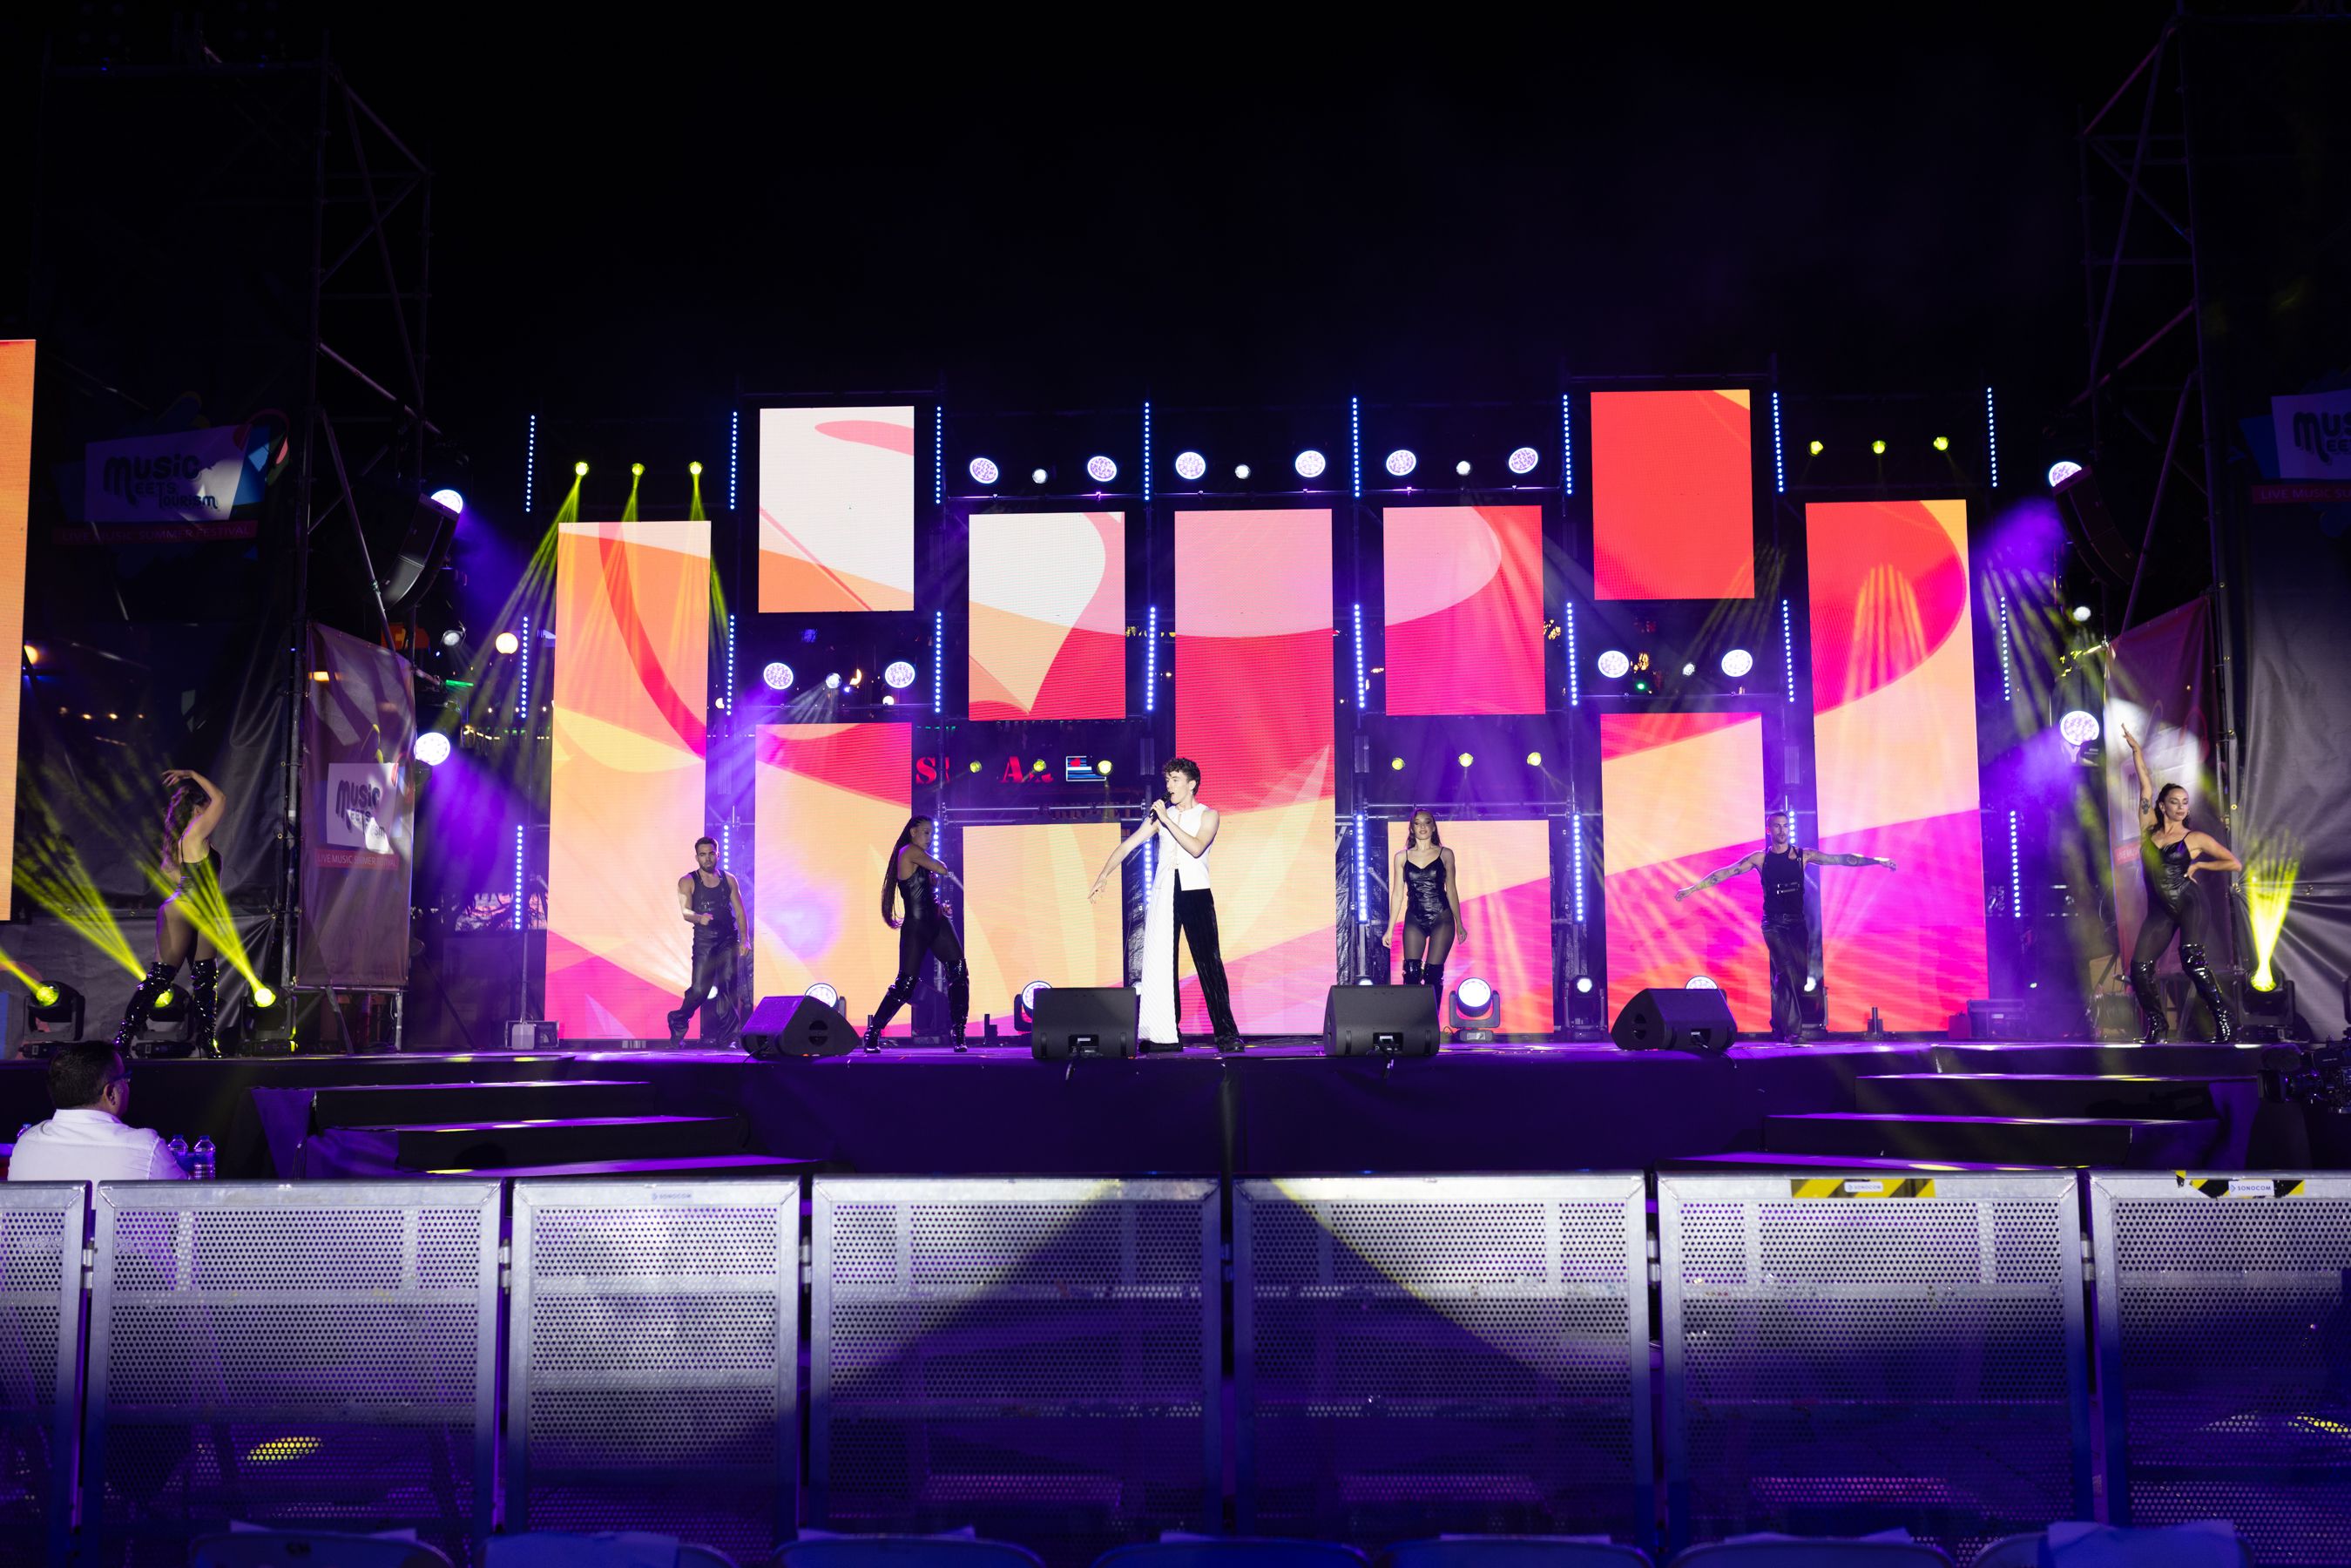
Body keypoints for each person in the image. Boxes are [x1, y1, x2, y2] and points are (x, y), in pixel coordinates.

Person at [1675, 812, 1895, 1041]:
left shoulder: (1803, 856)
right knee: (1786, 973)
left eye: (1785, 826)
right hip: (1774, 925)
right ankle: (1793, 1032)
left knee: (1797, 979)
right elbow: (1726, 873)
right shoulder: (1760, 859)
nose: (1782, 830)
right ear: (1769, 830)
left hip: (1797, 924)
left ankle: (1779, 1020)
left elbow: (1841, 859)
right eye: (1777, 826)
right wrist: (1692, 889)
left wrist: (1877, 861)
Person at [1090, 756, 1242, 1051]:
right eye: (1168, 780)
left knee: (1209, 962)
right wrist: (1104, 875)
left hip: (1195, 892)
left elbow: (1196, 848)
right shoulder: (1160, 816)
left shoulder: (1208, 815)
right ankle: (1165, 1034)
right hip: (1164, 891)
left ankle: (1226, 1034)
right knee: (1161, 963)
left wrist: (1167, 821)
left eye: (1175, 780)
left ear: (1191, 784)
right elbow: (1128, 844)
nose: (1170, 786)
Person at [2121, 722, 2240, 1044]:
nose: (2181, 806)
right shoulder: (2148, 828)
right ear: (2162, 806)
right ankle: (2158, 1026)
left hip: (2190, 903)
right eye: (2175, 801)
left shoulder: (2195, 838)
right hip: (2160, 910)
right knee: (2140, 969)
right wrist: (2137, 751)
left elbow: (2233, 862)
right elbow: (2146, 785)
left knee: (2192, 962)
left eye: (2185, 802)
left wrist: (2200, 863)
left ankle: (2224, 1021)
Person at [111, 768, 227, 1057]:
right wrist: (193, 774)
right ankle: (123, 1040)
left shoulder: (187, 840)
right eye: (205, 808)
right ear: (198, 810)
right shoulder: (195, 833)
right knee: (161, 977)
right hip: (186, 910)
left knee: (206, 979)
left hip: (201, 912)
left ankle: (207, 1042)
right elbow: (221, 798)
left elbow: (170, 870)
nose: (211, 814)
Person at [8, 1041, 189, 1182]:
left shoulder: (25, 1145)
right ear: (111, 1093)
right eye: (125, 1078)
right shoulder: (146, 1147)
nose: (127, 1085)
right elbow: (191, 1204)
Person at [862, 817, 970, 1052]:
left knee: (958, 971)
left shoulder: (921, 857)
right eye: (926, 832)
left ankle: (959, 1031)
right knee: (906, 984)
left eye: (932, 834)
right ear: (913, 832)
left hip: (937, 923)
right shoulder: (908, 851)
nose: (930, 838)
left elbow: (927, 893)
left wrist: (941, 907)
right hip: (917, 927)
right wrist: (941, 869)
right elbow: (942, 868)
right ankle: (873, 1032)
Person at [668, 836, 751, 1046]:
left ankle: (728, 1038)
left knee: (728, 987)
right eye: (703, 855)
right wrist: (699, 918)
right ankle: (678, 1019)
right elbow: (685, 911)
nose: (707, 858)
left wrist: (745, 940)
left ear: (717, 855)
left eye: (711, 854)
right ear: (697, 857)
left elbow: (740, 911)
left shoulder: (729, 879)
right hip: (704, 941)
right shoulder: (687, 881)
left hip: (728, 939)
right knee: (700, 990)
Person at [1390, 810, 1463, 995]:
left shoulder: (1446, 854)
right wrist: (1390, 929)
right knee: (1411, 974)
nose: (1422, 826)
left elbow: (1451, 890)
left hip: (1441, 917)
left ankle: (1433, 1013)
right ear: (1411, 828)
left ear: (1433, 827)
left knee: (1433, 975)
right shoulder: (1401, 857)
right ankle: (1411, 1014)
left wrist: (1460, 924)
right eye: (1417, 823)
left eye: (1427, 822)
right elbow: (1397, 894)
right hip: (1415, 918)